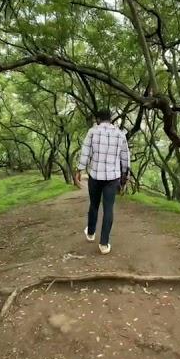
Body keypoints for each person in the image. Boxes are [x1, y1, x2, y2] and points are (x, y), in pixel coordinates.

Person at [76, 109, 130, 255]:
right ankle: (104, 244)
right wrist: (125, 175)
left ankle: (91, 233)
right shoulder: (120, 134)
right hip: (112, 178)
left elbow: (85, 152)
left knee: (94, 205)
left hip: (95, 176)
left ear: (98, 119)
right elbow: (125, 157)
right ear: (110, 119)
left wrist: (79, 169)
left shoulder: (92, 132)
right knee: (108, 209)